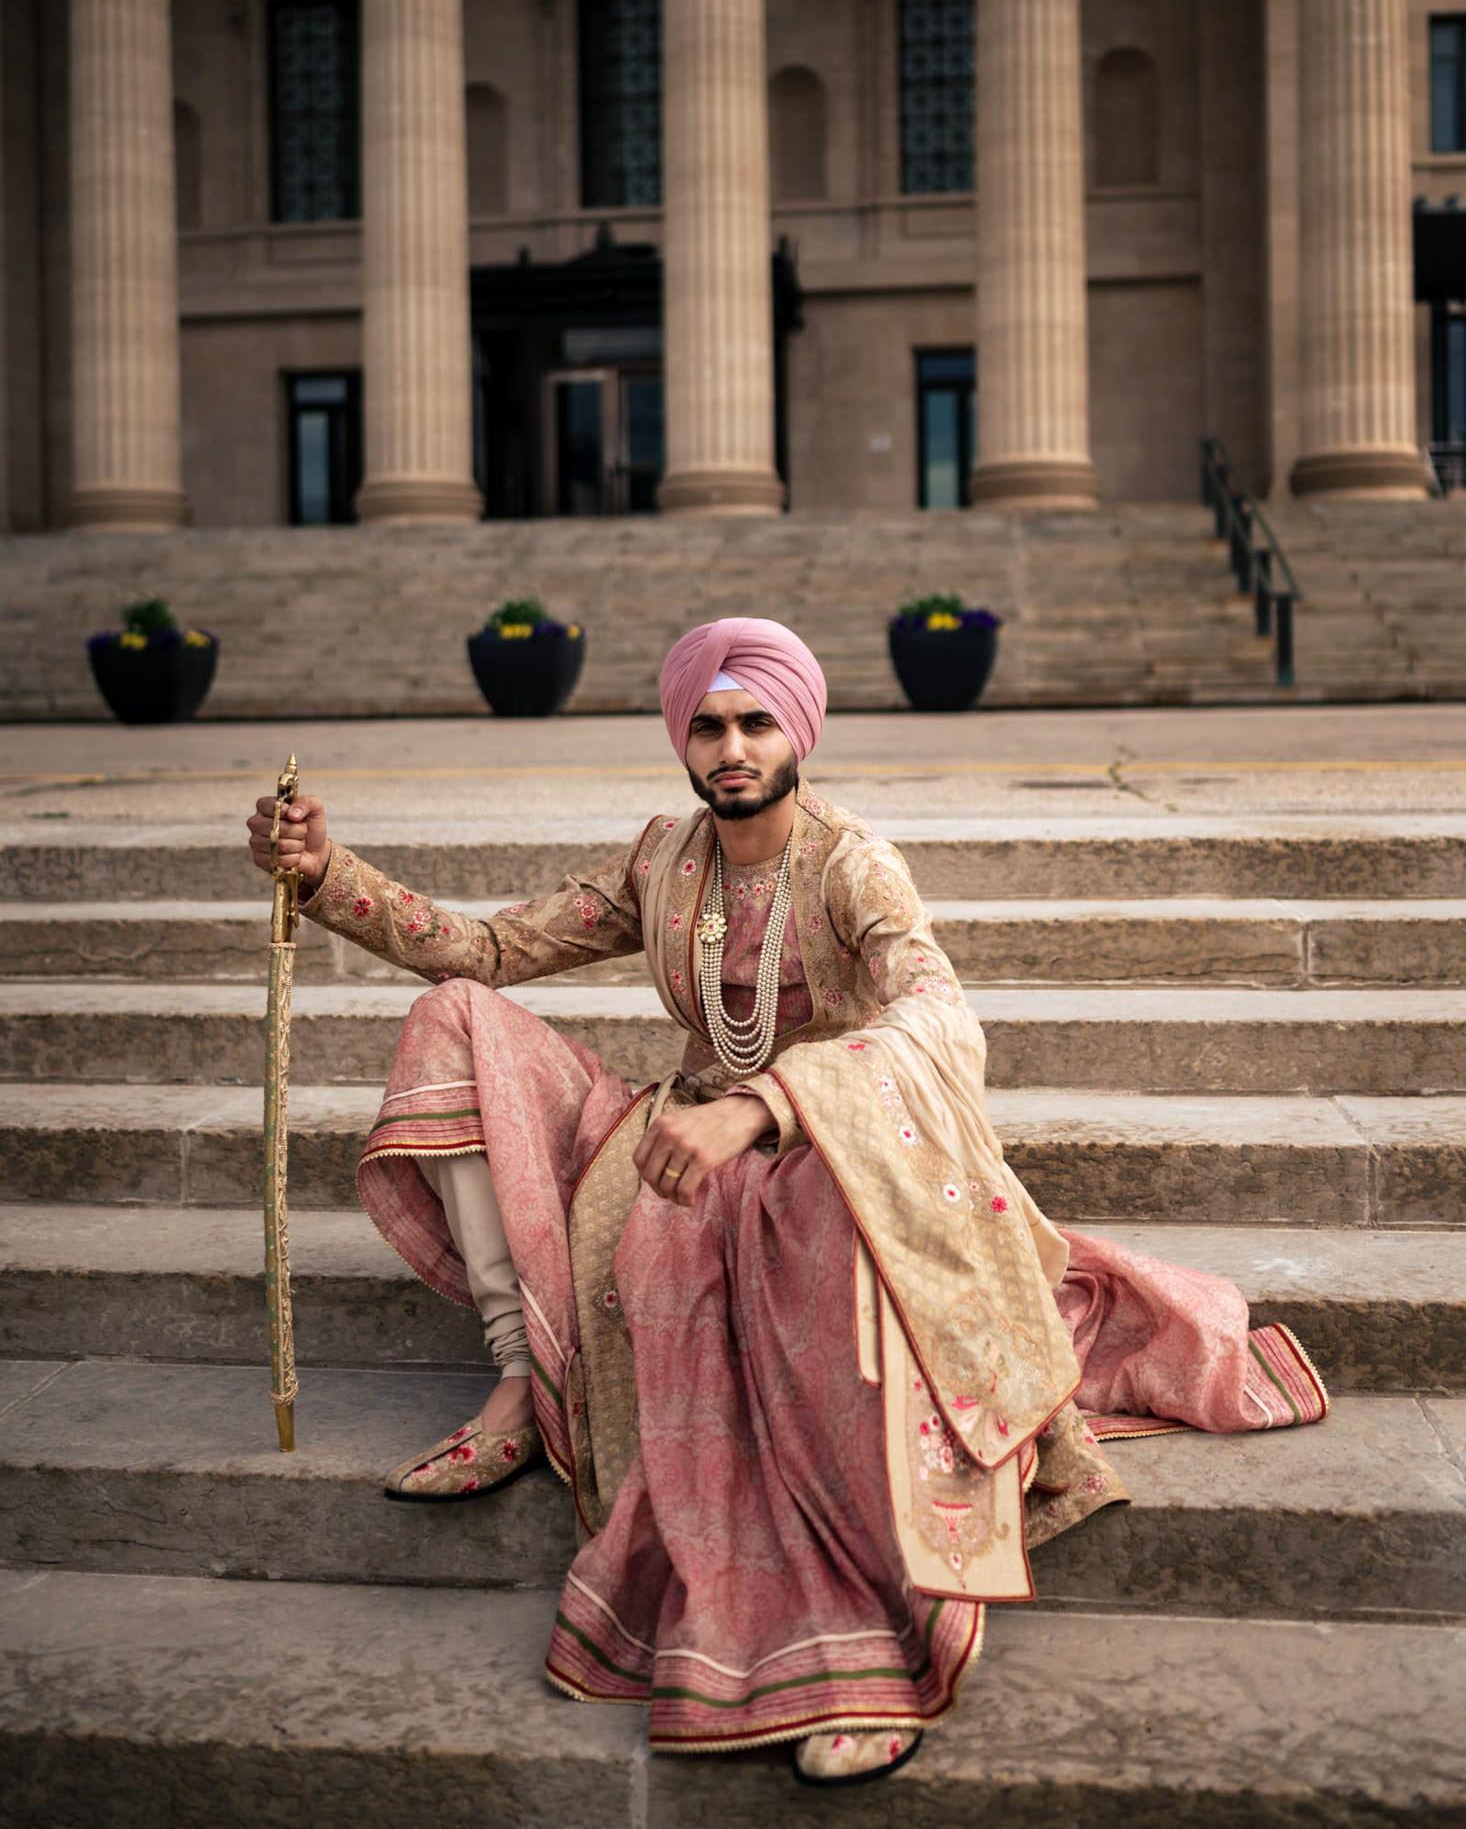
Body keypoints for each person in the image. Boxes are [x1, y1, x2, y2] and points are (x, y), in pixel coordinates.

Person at [247, 617, 1326, 1788]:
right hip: (678, 1144)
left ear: (795, 730)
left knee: (840, 1276)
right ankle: (521, 1376)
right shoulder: (661, 860)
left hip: (833, 1150)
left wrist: (765, 1107)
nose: (730, 746)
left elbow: (934, 1016)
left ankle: (876, 1629)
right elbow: (489, 948)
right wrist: (323, 874)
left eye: (754, 721)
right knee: (454, 1014)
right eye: (707, 725)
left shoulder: (849, 862)